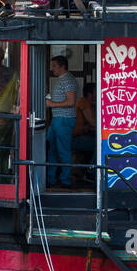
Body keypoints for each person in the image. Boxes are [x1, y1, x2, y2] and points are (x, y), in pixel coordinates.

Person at [45, 56, 79, 188]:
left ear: (62, 66)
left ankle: (65, 180)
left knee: (63, 150)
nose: (52, 68)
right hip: (57, 120)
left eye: (54, 66)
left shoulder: (68, 80)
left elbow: (71, 102)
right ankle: (51, 179)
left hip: (64, 120)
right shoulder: (61, 80)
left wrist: (51, 104)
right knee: (51, 149)